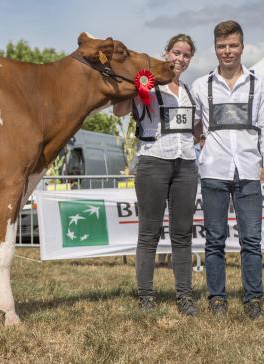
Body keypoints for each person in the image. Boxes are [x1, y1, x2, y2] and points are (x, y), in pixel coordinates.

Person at [191, 20, 264, 319]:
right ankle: (217, 298)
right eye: (222, 46)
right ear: (215, 49)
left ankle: (253, 299)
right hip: (214, 169)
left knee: (251, 240)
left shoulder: (259, 83)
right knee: (214, 239)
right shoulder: (201, 85)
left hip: (249, 170)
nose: (227, 51)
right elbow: (194, 125)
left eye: (233, 45)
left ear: (242, 46)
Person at [114, 34, 199, 316]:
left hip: (186, 163)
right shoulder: (148, 86)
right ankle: (146, 296)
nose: (180, 59)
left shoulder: (188, 91)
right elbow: (119, 111)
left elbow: (195, 130)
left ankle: (185, 296)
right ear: (166, 52)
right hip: (153, 161)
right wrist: (135, 86)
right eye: (176, 52)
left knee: (182, 233)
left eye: (186, 55)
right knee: (149, 233)